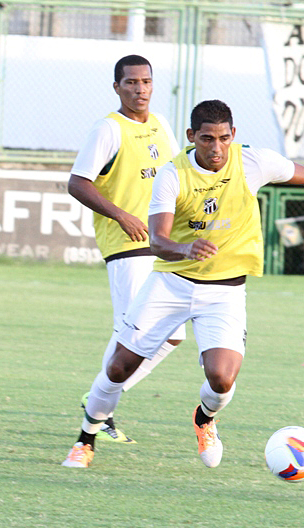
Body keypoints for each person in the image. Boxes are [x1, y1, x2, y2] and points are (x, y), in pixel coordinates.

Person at [62, 99, 304, 469]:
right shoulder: (172, 174)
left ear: (233, 135)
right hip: (171, 283)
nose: (216, 148)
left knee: (222, 378)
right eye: (208, 139)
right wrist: (184, 248)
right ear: (191, 137)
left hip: (225, 292)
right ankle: (85, 440)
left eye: (224, 138)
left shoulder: (253, 161)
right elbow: (157, 239)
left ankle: (204, 419)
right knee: (118, 368)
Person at [64, 54, 185, 448]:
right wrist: (120, 216)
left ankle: (101, 395)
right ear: (117, 87)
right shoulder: (108, 129)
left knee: (172, 335)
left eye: (146, 81)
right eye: (131, 82)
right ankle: (102, 412)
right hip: (128, 245)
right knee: (132, 333)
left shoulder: (162, 124)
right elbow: (78, 183)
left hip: (162, 243)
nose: (140, 89)